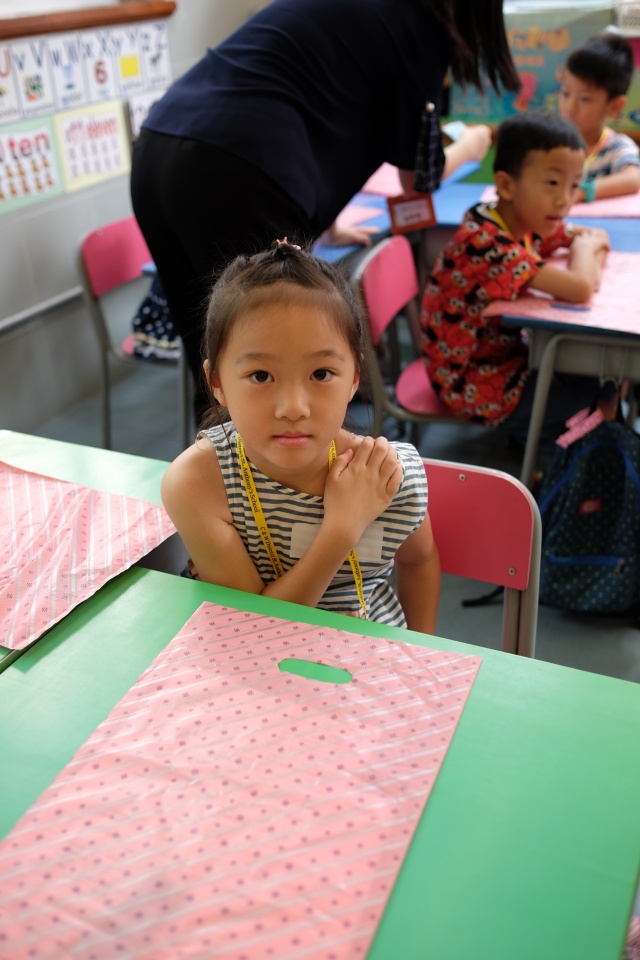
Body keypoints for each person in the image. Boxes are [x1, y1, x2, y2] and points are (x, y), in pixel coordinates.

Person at [131, 0, 519, 423]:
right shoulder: (421, 19)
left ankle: (221, 463)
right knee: (271, 369)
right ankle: (260, 465)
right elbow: (419, 178)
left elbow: (312, 97)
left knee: (215, 360)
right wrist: (474, 145)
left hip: (159, 146)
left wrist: (326, 223)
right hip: (236, 167)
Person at [161, 241, 441, 633]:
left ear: (355, 377)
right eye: (261, 376)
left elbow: (420, 560)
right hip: (249, 658)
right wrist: (343, 527)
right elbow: (257, 627)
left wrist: (420, 649)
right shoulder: (200, 482)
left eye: (321, 374)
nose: (293, 408)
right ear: (217, 383)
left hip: (371, 657)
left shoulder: (386, 475)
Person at [421, 111, 611, 445]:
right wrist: (586, 249)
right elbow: (580, 286)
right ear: (507, 185)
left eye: (574, 186)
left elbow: (584, 237)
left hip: (505, 358)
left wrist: (585, 246)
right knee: (601, 402)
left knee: (600, 380)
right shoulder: (487, 243)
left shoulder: (512, 219)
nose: (564, 200)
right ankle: (550, 461)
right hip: (472, 382)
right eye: (552, 183)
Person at [558, 31, 640, 202]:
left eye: (584, 99)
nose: (570, 107)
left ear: (614, 106)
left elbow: (633, 179)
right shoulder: (550, 143)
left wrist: (583, 191)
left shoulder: (616, 147)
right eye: (565, 93)